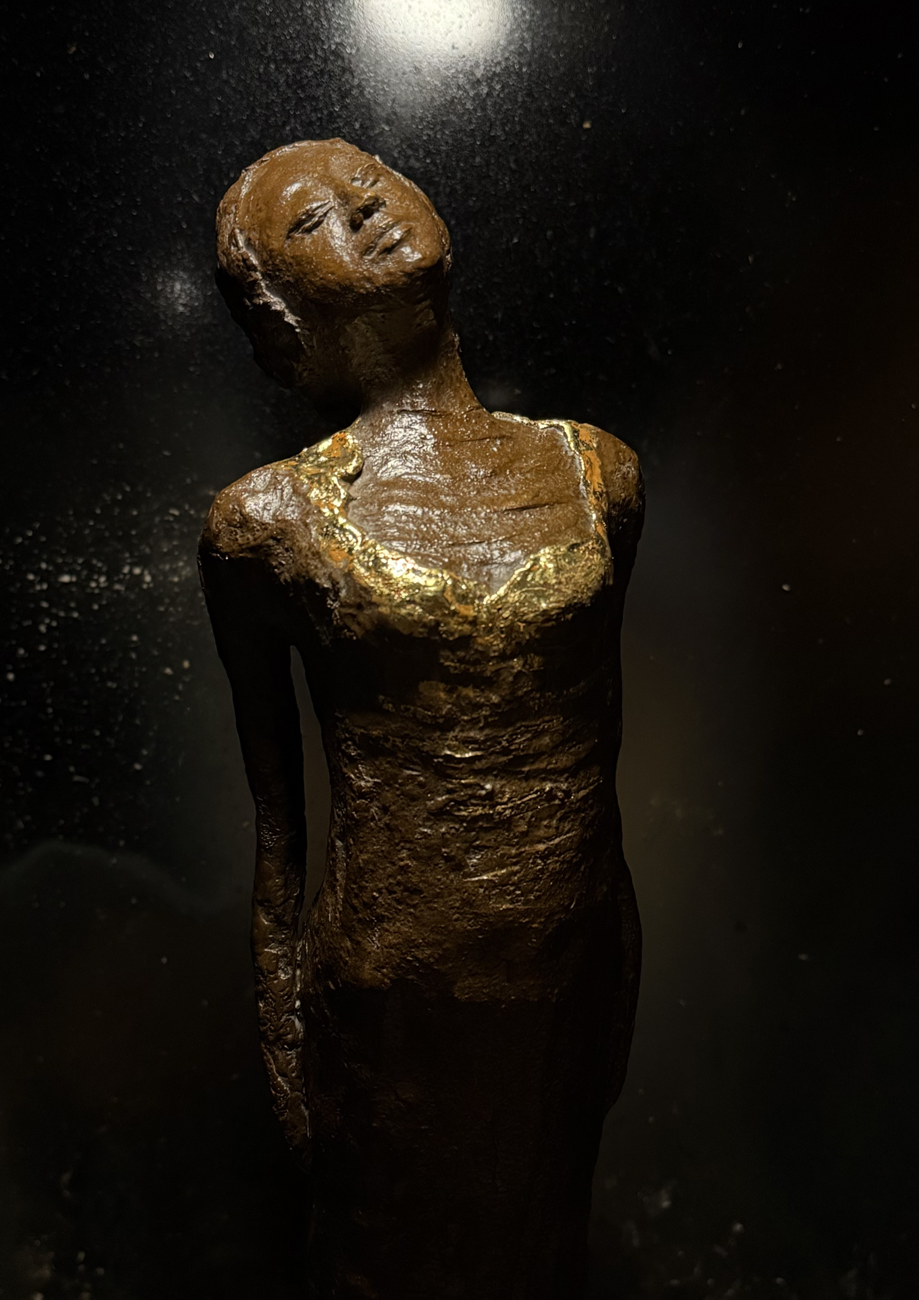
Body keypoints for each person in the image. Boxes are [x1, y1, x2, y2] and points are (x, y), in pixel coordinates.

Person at [199, 137, 644, 1299]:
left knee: (545, 1249)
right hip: (395, 990)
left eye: (369, 179)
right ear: (284, 319)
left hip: (568, 968)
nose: (362, 206)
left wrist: (618, 963)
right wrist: (284, 1030)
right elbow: (279, 827)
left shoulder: (597, 473)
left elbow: (599, 760)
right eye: (312, 224)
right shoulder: (268, 523)